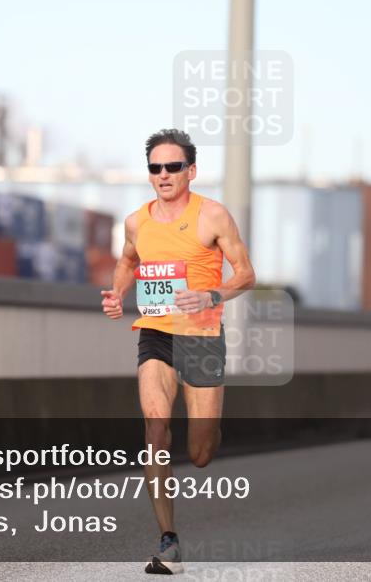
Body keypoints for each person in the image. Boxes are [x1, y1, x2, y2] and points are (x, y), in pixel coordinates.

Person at [100, 128, 256, 574]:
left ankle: (213, 429)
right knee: (154, 433)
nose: (163, 174)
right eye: (155, 167)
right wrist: (116, 294)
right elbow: (128, 261)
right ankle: (169, 541)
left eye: (172, 167)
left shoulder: (213, 216)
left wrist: (214, 296)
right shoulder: (137, 221)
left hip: (202, 337)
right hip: (155, 333)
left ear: (190, 171)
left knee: (201, 453)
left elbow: (246, 274)